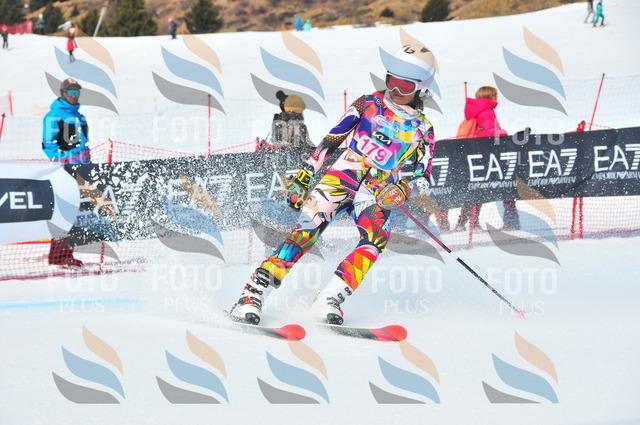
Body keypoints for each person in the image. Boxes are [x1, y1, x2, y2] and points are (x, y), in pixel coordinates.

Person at [229, 44, 436, 325]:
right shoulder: (368, 103)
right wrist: (304, 177)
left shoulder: (422, 128)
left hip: (375, 192)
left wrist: (404, 189)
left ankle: (331, 297)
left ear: (421, 88)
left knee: (375, 240)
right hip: (340, 179)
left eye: (405, 85)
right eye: (391, 80)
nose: (395, 89)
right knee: (306, 233)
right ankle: (252, 295)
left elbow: (424, 176)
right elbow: (332, 140)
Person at [454, 86, 520, 232]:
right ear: (489, 96)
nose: (497, 98)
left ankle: (463, 223)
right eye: (495, 95)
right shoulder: (487, 111)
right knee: (506, 187)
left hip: (476, 155)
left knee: (476, 189)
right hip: (490, 156)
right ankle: (511, 223)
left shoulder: (476, 110)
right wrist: (504, 133)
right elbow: (489, 134)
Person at [42, 78, 91, 267]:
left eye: (77, 92)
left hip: (81, 169)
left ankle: (65, 252)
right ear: (62, 93)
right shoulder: (54, 115)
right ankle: (58, 255)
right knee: (63, 211)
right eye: (70, 92)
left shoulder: (80, 116)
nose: (74, 96)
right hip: (64, 170)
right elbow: (48, 145)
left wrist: (87, 164)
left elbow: (83, 145)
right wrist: (64, 162)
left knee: (75, 212)